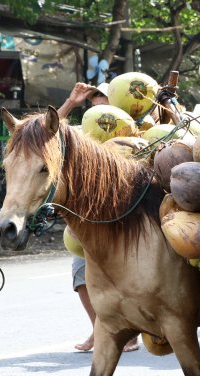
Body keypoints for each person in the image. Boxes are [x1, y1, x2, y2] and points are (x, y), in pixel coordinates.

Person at [57, 82, 139, 353]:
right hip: (89, 220)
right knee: (81, 274)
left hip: (126, 218)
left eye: (104, 101)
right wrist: (71, 101)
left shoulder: (137, 129)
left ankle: (131, 332)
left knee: (126, 277)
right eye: (94, 104)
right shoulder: (81, 135)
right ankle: (99, 330)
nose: (99, 108)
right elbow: (44, 132)